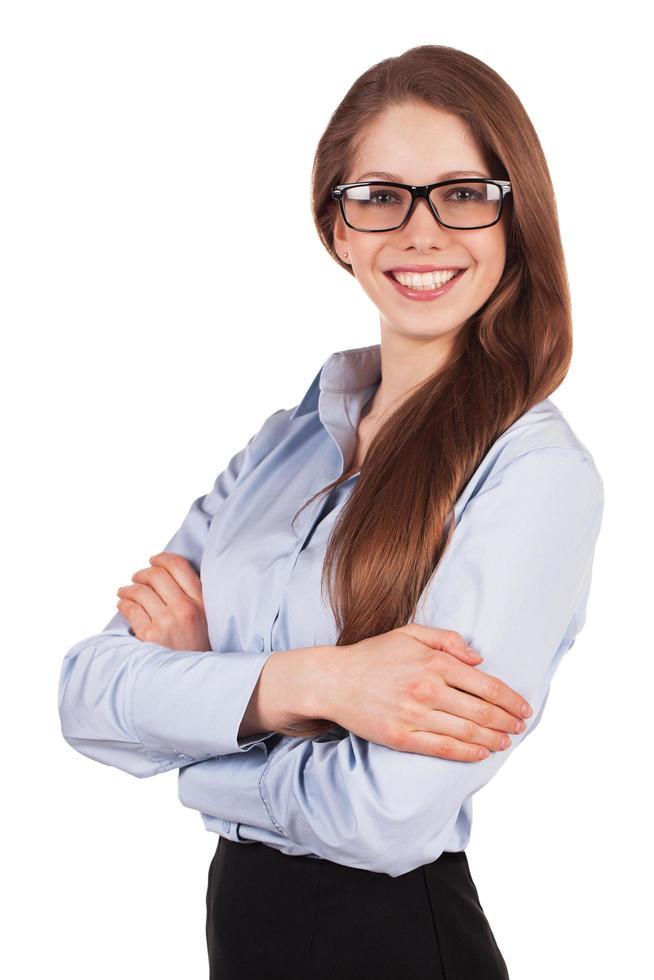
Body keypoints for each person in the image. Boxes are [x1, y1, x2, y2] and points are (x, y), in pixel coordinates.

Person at [58, 44, 604, 980]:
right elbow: (86, 694)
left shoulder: (534, 474)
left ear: (514, 221)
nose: (422, 232)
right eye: (381, 196)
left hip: (398, 944)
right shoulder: (285, 444)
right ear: (337, 229)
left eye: (464, 193)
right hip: (243, 937)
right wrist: (319, 686)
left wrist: (201, 728)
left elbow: (388, 813)